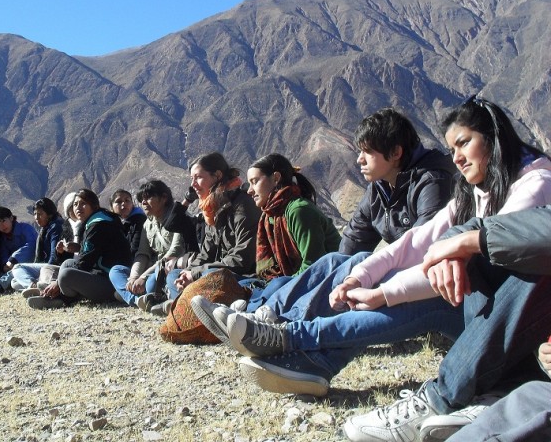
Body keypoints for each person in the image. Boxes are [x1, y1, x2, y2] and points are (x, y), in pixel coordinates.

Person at [223, 96, 551, 398]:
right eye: (453, 149)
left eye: (464, 143)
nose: (458, 159)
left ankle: (290, 337)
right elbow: (416, 243)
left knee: (426, 292)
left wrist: (386, 290)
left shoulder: (524, 186)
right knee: (348, 262)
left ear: (493, 138)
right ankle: (296, 343)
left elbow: (455, 255)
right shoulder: (467, 191)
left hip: (510, 323)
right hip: (473, 304)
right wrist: (358, 278)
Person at [194, 108, 454, 333]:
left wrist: (354, 274)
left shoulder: (431, 181)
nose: (359, 160)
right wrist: (339, 273)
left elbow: (424, 246)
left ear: (395, 152)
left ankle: (277, 321)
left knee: (345, 266)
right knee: (336, 263)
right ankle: (264, 314)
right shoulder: (380, 188)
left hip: (421, 283)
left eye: (367, 152)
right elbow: (352, 240)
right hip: (391, 275)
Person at [344, 205, 551, 441]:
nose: (456, 164)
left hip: (459, 305)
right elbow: (421, 240)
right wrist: (449, 250)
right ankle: (303, 343)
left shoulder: (534, 181)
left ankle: (444, 396)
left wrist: (383, 294)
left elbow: (530, 237)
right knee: (344, 262)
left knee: (524, 258)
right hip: (491, 323)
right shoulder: (465, 192)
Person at [192, 153, 341, 333]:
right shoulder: (269, 216)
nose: (250, 190)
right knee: (241, 283)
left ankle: (245, 316)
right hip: (281, 279)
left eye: (255, 182)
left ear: (276, 178)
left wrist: (278, 284)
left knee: (277, 285)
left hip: (320, 283)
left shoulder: (298, 211)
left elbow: (313, 266)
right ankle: (240, 314)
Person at [159, 152, 261, 315]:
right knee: (175, 275)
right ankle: (189, 304)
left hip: (242, 277)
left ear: (217, 175)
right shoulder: (212, 209)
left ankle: (184, 305)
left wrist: (196, 273)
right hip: (213, 273)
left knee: (209, 275)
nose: (193, 185)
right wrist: (188, 273)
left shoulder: (242, 205)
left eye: (198, 177)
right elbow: (206, 254)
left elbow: (242, 259)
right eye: (192, 179)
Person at [27, 189, 132, 309]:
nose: (78, 207)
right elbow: (96, 251)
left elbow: (85, 262)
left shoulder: (98, 225)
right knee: (67, 264)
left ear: (94, 206)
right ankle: (57, 296)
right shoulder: (94, 221)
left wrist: (57, 282)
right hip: (100, 272)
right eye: (75, 204)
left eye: (83, 203)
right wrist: (76, 247)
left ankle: (58, 297)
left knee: (66, 275)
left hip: (111, 282)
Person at [109, 180, 185, 308]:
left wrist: (143, 277)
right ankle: (137, 299)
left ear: (164, 198)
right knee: (115, 271)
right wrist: (134, 277)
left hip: (170, 267)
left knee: (150, 284)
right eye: (141, 199)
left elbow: (175, 252)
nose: (143, 202)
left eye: (148, 198)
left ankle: (137, 296)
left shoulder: (179, 218)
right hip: (152, 267)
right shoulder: (148, 224)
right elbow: (142, 254)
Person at [9, 198, 64, 291]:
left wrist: (44, 272)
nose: (36, 217)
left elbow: (54, 256)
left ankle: (35, 287)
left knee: (17, 267)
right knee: (14, 282)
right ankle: (38, 287)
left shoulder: (56, 227)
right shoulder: (45, 229)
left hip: (53, 268)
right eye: (35, 214)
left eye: (40, 214)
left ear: (49, 214)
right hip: (46, 266)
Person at [0, 207, 38, 296]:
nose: (2, 226)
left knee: (16, 269)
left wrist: (13, 259)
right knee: (12, 279)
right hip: (13, 266)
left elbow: (31, 245)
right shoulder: (4, 238)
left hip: (33, 262)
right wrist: (5, 265)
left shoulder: (26, 228)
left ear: (11, 218)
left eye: (3, 221)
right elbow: (4, 253)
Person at [110, 189, 147, 258]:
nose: (124, 203)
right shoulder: (110, 225)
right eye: (119, 202)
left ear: (132, 204)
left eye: (127, 200)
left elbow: (135, 249)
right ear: (112, 208)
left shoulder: (139, 221)